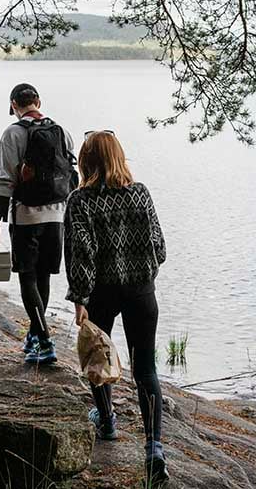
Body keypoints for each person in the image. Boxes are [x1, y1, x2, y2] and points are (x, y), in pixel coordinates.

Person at [64, 130, 169, 485]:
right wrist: (144, 274)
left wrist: (79, 298)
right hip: (142, 293)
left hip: (102, 294)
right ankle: (154, 447)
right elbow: (160, 247)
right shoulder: (141, 194)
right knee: (146, 369)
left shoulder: (81, 200)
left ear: (85, 161)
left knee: (98, 356)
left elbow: (82, 254)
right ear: (119, 157)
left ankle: (107, 420)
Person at [0, 83, 76, 364]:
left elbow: (5, 181)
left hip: (26, 215)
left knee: (27, 276)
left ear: (14, 105)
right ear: (38, 101)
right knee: (44, 277)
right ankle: (34, 336)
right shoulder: (62, 132)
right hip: (57, 215)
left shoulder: (12, 134)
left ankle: (44, 339)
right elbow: (71, 173)